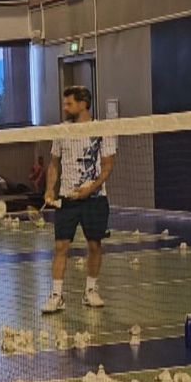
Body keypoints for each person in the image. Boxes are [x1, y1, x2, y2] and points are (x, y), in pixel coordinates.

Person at [42, 86, 116, 314]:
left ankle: (90, 291)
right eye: (65, 104)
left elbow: (107, 167)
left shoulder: (103, 129)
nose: (65, 108)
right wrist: (49, 190)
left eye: (69, 104)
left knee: (94, 245)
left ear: (84, 104)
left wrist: (90, 189)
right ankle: (56, 296)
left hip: (94, 199)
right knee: (61, 246)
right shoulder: (61, 131)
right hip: (67, 198)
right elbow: (54, 163)